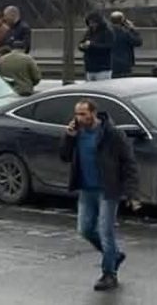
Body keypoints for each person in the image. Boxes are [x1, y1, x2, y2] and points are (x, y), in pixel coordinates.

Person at [59, 98, 140, 292]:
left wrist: (132, 193)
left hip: (107, 189)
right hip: (87, 190)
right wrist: (68, 137)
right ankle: (114, 255)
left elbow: (129, 163)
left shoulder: (112, 134)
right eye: (77, 114)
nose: (79, 118)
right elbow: (64, 156)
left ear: (93, 114)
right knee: (85, 229)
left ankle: (109, 273)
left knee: (106, 231)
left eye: (83, 114)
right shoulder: (77, 133)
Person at [79, 12, 115, 82]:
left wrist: (92, 45)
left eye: (93, 23)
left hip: (102, 68)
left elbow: (108, 47)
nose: (92, 25)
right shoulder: (89, 32)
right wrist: (82, 46)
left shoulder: (107, 32)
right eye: (90, 23)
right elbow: (82, 42)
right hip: (90, 67)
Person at [109, 12, 142, 78]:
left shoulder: (106, 32)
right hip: (124, 64)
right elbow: (138, 42)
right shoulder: (125, 33)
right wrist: (132, 29)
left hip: (110, 63)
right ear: (122, 21)